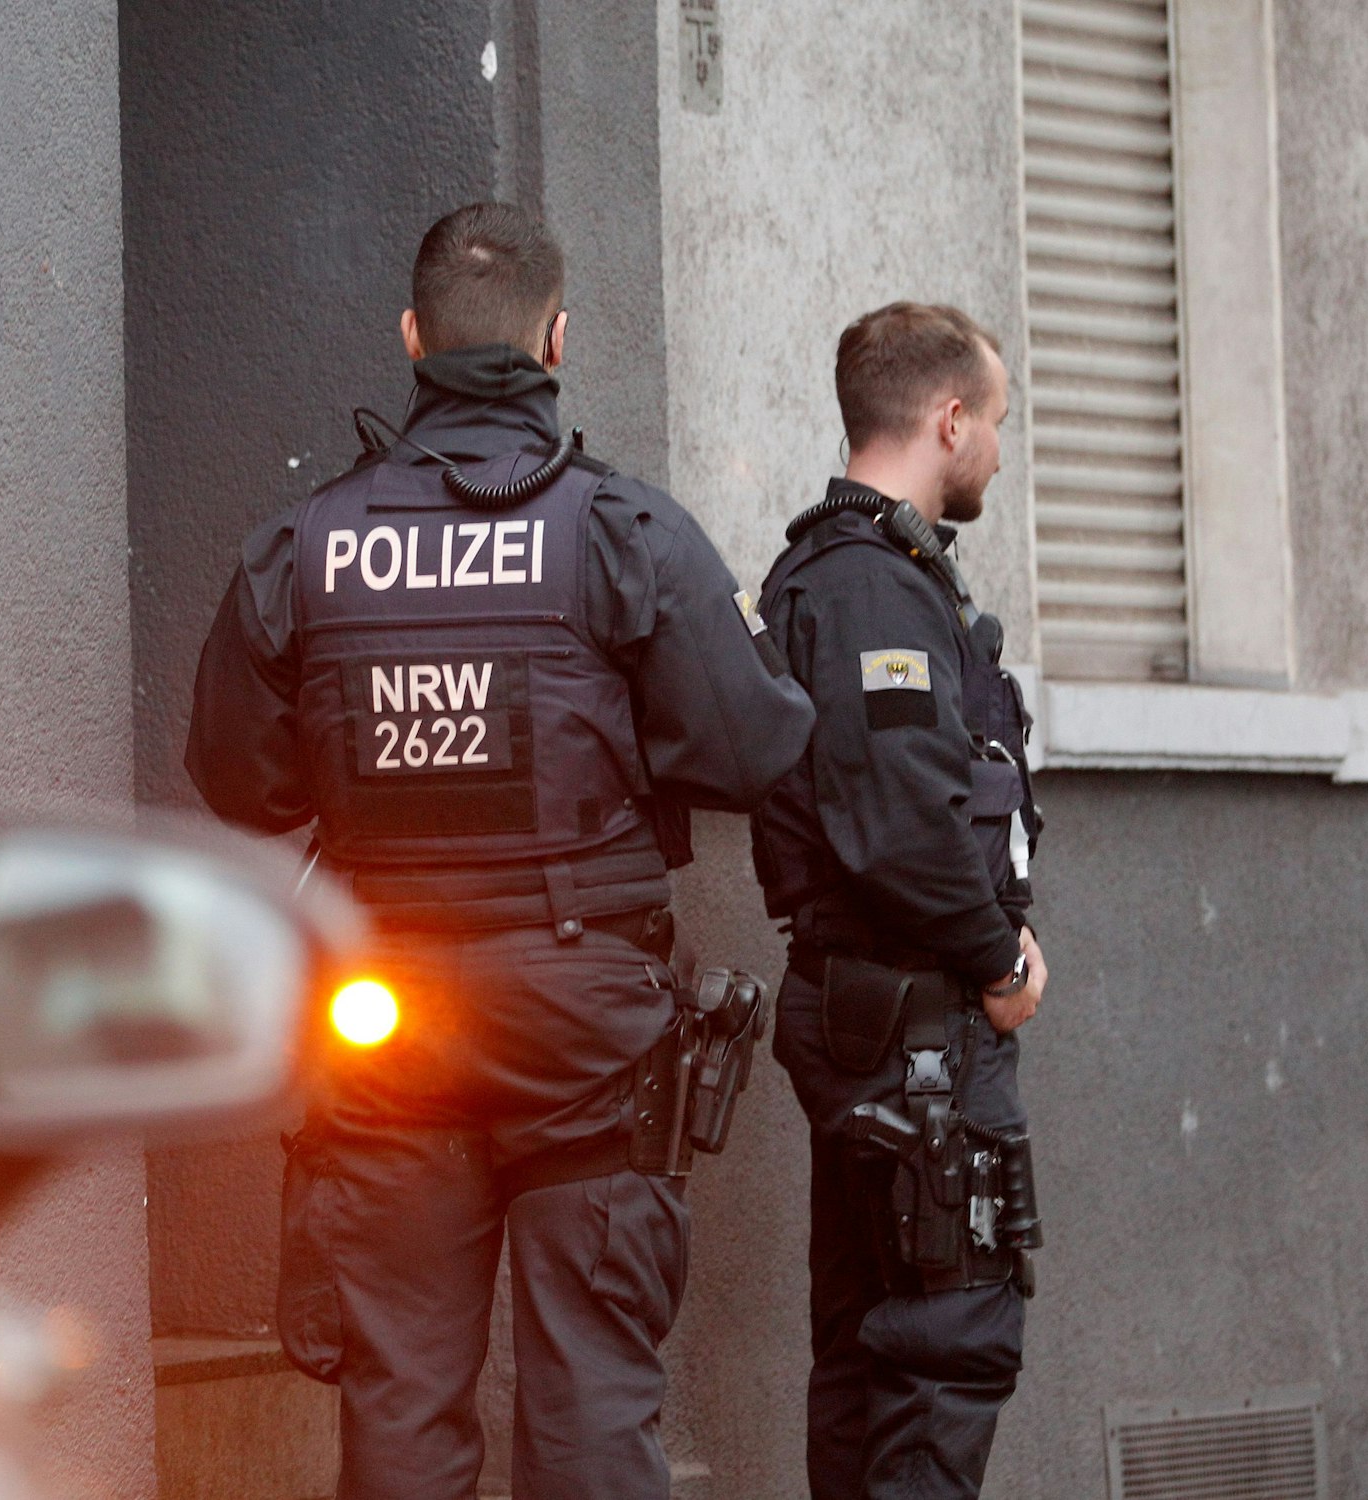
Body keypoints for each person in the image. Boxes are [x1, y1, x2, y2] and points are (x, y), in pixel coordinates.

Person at [186, 201, 814, 1500]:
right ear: (560, 340)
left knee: (402, 1412)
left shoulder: (306, 548)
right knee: (592, 1420)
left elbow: (239, 785)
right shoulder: (624, 534)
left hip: (384, 1014)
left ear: (414, 339)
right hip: (585, 1019)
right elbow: (755, 752)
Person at [750, 301, 1050, 1499]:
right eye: (995, 425)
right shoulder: (871, 587)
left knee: (879, 1351)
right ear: (945, 418)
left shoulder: (854, 572)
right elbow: (898, 821)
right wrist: (997, 962)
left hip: (883, 1018)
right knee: (939, 1350)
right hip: (916, 1022)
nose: (996, 454)